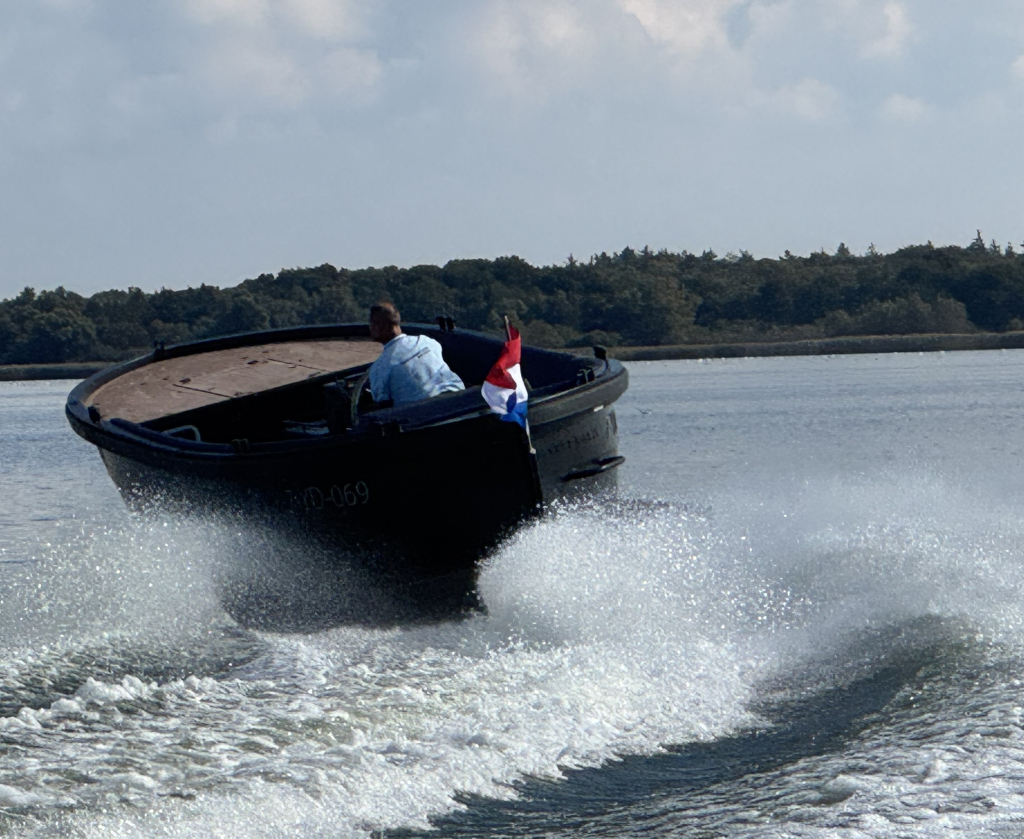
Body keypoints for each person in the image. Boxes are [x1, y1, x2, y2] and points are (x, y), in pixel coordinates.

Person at [367, 302, 465, 406]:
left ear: (376, 328)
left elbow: (382, 407)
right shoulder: (426, 341)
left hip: (429, 412)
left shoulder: (379, 368)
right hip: (462, 399)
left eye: (371, 323)